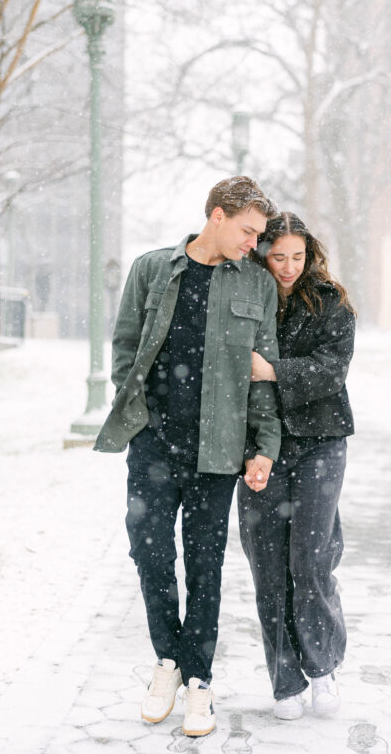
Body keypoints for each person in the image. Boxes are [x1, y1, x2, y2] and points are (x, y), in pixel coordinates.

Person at [94, 177, 281, 737]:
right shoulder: (152, 269)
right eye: (248, 231)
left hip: (218, 448)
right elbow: (126, 346)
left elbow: (263, 373)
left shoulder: (257, 285)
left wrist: (263, 446)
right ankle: (167, 662)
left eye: (260, 235)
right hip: (153, 442)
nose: (255, 243)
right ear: (217, 216)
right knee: (148, 555)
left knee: (205, 564)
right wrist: (139, 413)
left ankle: (198, 681)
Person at [238, 212, 356, 721]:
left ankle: (323, 665)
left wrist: (274, 370)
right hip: (259, 445)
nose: (288, 267)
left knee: (311, 560)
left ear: (310, 254)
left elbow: (333, 369)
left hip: (321, 442)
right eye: (278, 256)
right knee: (268, 566)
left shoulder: (330, 301)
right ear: (263, 252)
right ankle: (285, 679)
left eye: (297, 257)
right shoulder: (245, 298)